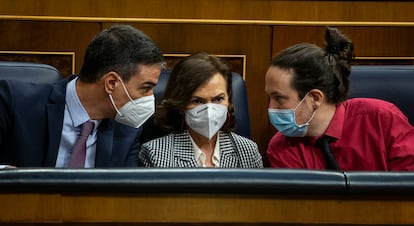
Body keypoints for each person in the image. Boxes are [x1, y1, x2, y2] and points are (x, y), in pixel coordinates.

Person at [0, 24, 163, 168]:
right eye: (146, 88)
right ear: (111, 82)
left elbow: (124, 196)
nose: (150, 97)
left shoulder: (127, 130)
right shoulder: (15, 102)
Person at [265, 27, 414, 171]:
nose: (271, 107)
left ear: (315, 98)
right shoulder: (281, 148)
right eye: (270, 97)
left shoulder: (382, 118)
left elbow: (406, 185)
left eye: (279, 98)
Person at [139, 52, 263, 168]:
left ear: (229, 99)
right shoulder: (154, 154)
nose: (209, 111)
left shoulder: (248, 151)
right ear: (180, 105)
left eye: (218, 99)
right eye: (197, 101)